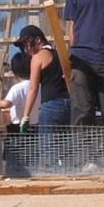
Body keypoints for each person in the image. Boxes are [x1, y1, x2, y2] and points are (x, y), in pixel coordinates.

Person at [14, 25, 70, 169]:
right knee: (68, 149)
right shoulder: (61, 55)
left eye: (28, 43)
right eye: (24, 45)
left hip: (51, 106)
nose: (27, 48)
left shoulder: (38, 58)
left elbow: (33, 88)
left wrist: (25, 116)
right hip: (69, 105)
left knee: (48, 150)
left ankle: (52, 177)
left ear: (38, 40)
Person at [0, 51, 40, 176]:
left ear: (15, 72)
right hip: (35, 130)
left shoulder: (18, 88)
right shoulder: (39, 86)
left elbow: (6, 104)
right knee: (32, 164)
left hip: (17, 130)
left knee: (14, 167)